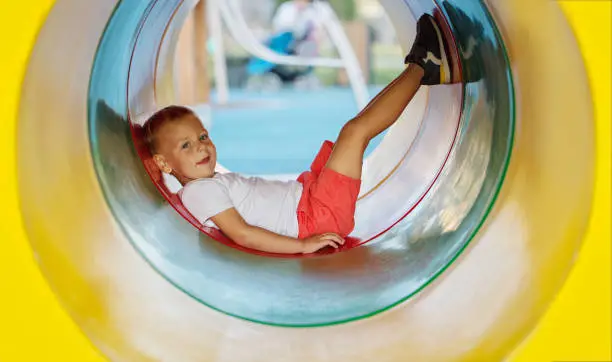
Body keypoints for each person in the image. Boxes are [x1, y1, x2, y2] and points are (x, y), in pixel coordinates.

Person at [143, 14, 454, 254]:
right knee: (355, 133)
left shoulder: (206, 185)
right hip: (313, 218)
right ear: (165, 163)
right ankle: (422, 67)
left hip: (307, 198)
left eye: (202, 137)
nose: (201, 147)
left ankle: (423, 69)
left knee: (355, 130)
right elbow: (243, 234)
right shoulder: (198, 192)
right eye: (186, 145)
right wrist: (303, 246)